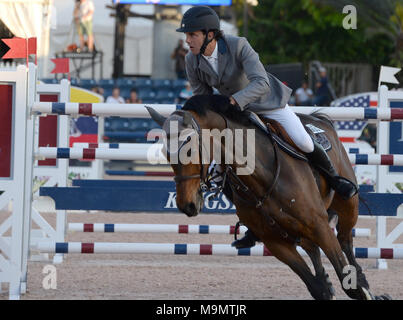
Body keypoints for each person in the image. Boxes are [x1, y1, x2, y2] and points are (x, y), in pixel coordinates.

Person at [176, 6, 358, 249]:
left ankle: (335, 180)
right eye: (187, 36)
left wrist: (234, 101)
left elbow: (261, 82)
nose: (187, 40)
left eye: (192, 35)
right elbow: (202, 97)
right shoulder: (192, 60)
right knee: (228, 165)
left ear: (210, 34)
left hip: (267, 102)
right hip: (235, 113)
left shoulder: (239, 46)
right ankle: (254, 225)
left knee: (303, 140)